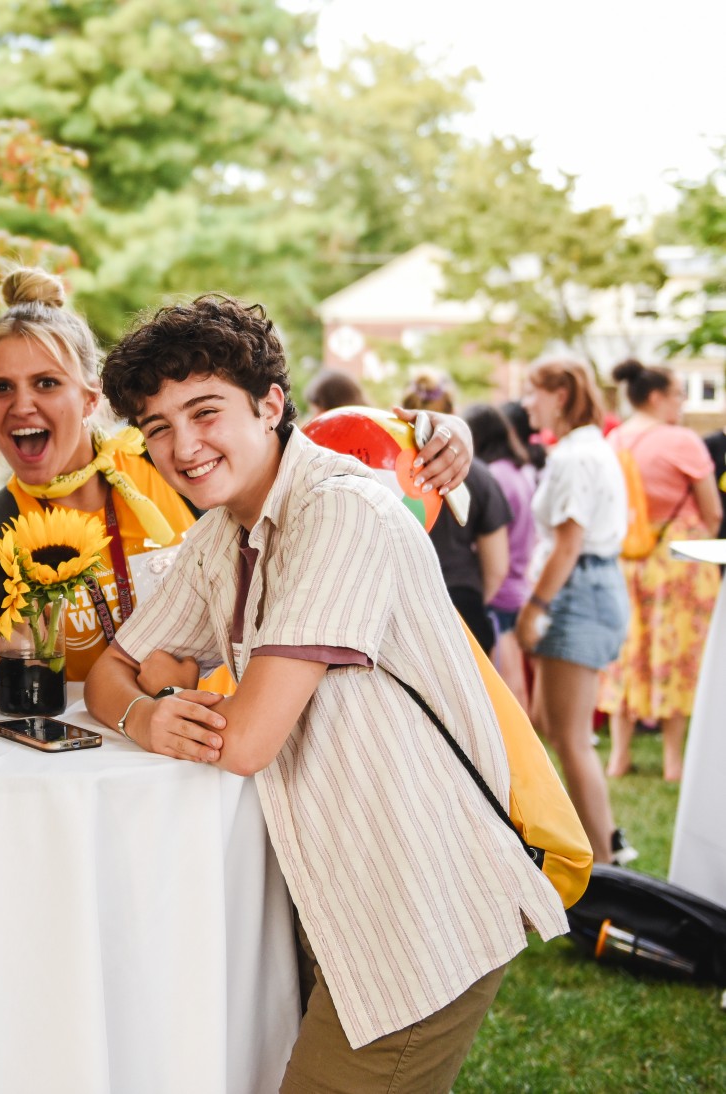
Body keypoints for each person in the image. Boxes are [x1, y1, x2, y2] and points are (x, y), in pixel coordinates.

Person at [85, 294, 566, 1092]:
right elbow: (110, 670)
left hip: (417, 904)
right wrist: (144, 714)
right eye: (157, 427)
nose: (181, 445)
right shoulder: (219, 534)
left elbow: (244, 741)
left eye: (204, 412)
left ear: (271, 404)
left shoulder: (340, 511)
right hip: (331, 893)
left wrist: (164, 698)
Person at [0, 267, 475, 684]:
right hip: (101, 786)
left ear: (89, 397)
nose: (20, 406)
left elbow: (299, 456)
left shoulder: (168, 458)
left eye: (45, 383)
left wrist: (440, 432)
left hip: (239, 753)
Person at [517, 358, 633, 865]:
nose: (526, 404)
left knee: (570, 736)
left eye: (533, 392)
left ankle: (605, 865)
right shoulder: (587, 449)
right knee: (552, 722)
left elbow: (567, 544)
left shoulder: (574, 457)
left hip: (578, 588)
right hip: (590, 583)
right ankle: (600, 843)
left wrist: (535, 608)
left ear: (559, 395)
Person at [599, 360, 722, 781]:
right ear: (656, 396)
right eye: (677, 394)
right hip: (678, 561)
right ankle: (673, 761)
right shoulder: (682, 441)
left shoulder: (613, 440)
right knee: (678, 654)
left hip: (625, 559)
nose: (682, 402)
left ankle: (619, 755)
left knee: (626, 651)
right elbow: (713, 511)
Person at [401, 369, 512, 655]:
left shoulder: (387, 468)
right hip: (464, 610)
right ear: (452, 413)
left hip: (402, 612)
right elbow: (497, 567)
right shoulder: (479, 476)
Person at [462, 403, 536, 708]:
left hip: (500, 589)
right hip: (519, 581)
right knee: (514, 680)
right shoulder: (521, 471)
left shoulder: (494, 476)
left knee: (504, 694)